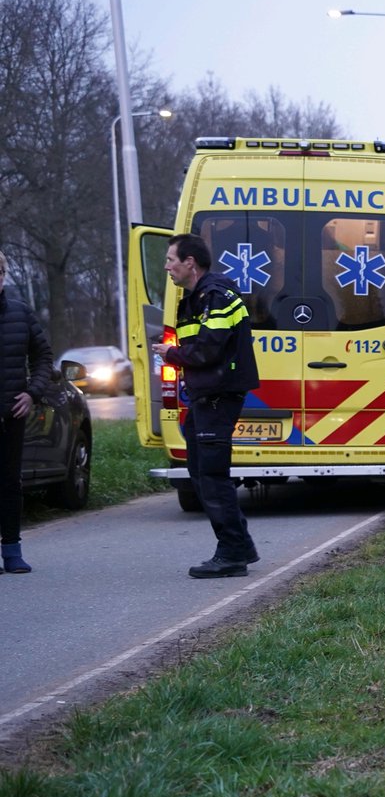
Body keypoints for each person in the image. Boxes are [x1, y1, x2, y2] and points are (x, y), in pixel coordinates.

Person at [156, 233, 261, 579]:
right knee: (201, 471)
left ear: (190, 263)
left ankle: (231, 553)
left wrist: (171, 354)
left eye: (172, 259)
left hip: (217, 396)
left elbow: (207, 350)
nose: (167, 266)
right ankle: (239, 544)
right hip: (207, 396)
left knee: (213, 476)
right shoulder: (198, 297)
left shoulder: (215, 295)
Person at [0, 249, 53, 574]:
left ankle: (12, 550)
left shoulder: (21, 314)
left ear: (3, 275)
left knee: (9, 484)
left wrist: (33, 393)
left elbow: (44, 357)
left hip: (11, 418)